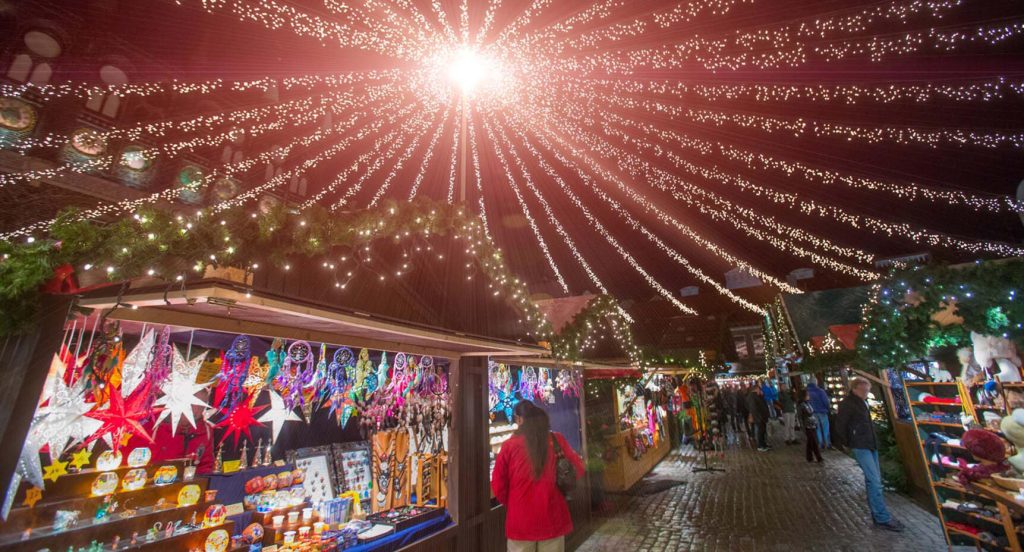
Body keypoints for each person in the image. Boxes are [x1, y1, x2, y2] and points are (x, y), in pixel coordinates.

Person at [491, 400, 585, 552]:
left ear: (520, 419)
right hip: (552, 517)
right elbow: (578, 468)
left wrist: (514, 502)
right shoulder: (556, 440)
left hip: (520, 520)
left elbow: (498, 484)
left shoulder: (509, 446)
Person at [835, 378, 904, 532]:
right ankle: (882, 517)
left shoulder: (861, 402)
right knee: (875, 481)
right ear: (856, 388)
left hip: (869, 444)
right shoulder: (848, 404)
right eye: (865, 390)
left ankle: (878, 514)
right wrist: (848, 442)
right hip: (860, 445)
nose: (867, 393)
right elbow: (840, 425)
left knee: (872, 480)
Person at [798, 390, 822, 463]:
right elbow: (800, 416)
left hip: (812, 424)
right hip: (807, 425)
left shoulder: (808, 404)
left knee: (811, 442)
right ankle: (818, 457)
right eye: (807, 395)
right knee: (813, 441)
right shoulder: (802, 405)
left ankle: (810, 457)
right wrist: (802, 426)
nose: (809, 396)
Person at [807, 381, 832, 449]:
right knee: (825, 428)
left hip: (813, 413)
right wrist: (827, 408)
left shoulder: (808, 393)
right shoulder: (821, 391)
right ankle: (827, 443)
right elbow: (826, 401)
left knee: (817, 429)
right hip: (822, 411)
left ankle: (821, 444)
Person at [745, 384, 771, 452]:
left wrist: (762, 395)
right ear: (756, 389)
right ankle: (760, 445)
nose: (760, 390)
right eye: (759, 389)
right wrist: (758, 417)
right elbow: (754, 408)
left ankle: (763, 444)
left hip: (761, 416)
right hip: (759, 417)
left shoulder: (757, 396)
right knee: (760, 431)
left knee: (762, 431)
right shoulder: (752, 397)